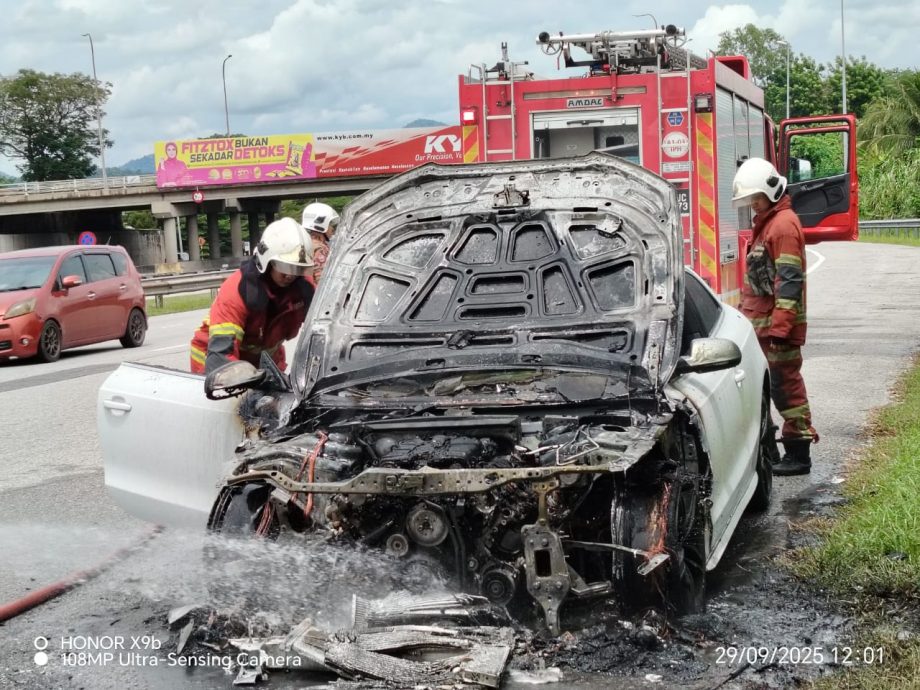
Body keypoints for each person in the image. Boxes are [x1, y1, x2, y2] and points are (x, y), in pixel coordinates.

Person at [732, 157, 818, 476]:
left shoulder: (782, 225)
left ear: (770, 192)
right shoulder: (769, 223)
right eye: (750, 200)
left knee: (786, 388)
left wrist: (781, 328)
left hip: (776, 331)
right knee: (772, 387)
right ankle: (776, 447)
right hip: (764, 329)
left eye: (755, 198)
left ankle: (799, 452)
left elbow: (789, 280)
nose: (753, 205)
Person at [190, 217, 314, 375]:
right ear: (267, 261)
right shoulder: (238, 291)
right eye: (285, 266)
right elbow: (221, 356)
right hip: (213, 363)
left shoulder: (304, 289)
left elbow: (323, 329)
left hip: (262, 366)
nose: (290, 275)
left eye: (297, 268)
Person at [301, 202, 340, 284]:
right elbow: (322, 280)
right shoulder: (320, 249)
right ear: (321, 225)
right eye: (330, 224)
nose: (332, 228)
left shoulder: (304, 244)